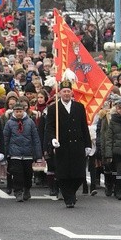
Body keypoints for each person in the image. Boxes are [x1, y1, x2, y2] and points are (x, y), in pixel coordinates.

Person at [43, 78, 92, 209]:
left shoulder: (79, 107)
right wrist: (52, 139)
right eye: (64, 91)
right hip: (62, 146)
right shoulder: (54, 108)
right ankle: (68, 197)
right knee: (63, 175)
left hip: (77, 145)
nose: (66, 94)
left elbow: (84, 127)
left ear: (72, 93)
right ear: (60, 93)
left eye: (68, 91)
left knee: (79, 175)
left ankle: (71, 192)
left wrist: (88, 144)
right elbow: (50, 127)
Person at [3, 101, 42, 202]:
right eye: (16, 111)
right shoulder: (9, 123)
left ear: (23, 111)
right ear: (13, 112)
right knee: (17, 173)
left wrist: (38, 155)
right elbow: (5, 139)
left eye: (20, 111)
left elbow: (35, 139)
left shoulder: (30, 122)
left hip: (28, 153)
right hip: (15, 154)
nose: (18, 113)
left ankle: (27, 189)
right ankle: (18, 192)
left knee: (28, 174)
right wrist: (5, 154)